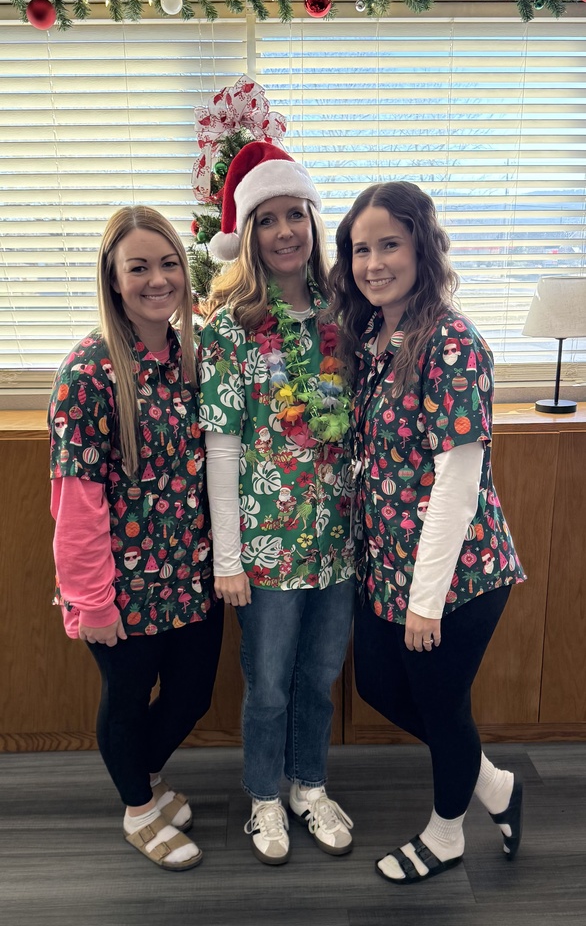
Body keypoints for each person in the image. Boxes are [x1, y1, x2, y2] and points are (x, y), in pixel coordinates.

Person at [329, 181, 526, 885]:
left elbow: (457, 483)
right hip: (388, 566)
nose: (374, 262)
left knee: (442, 706)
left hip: (457, 576)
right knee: (384, 688)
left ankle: (447, 835)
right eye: (361, 249)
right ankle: (495, 787)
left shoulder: (452, 342)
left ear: (421, 246)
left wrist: (426, 601)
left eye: (390, 245)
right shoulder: (375, 334)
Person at [48, 206, 223, 871]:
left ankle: (141, 777)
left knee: (192, 697)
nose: (157, 279)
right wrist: (91, 600)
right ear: (114, 279)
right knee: (126, 702)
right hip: (120, 587)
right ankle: (138, 809)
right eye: (139, 267)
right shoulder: (91, 372)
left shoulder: (194, 354)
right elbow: (78, 501)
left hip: (191, 575)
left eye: (169, 263)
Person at [199, 140, 355, 865]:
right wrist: (228, 559)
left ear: (314, 223)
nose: (287, 230)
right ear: (248, 233)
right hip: (265, 548)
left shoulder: (343, 314)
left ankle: (307, 784)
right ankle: (264, 797)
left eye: (298, 214)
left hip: (336, 541)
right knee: (267, 687)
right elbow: (223, 446)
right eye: (268, 219)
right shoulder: (230, 327)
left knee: (320, 678)